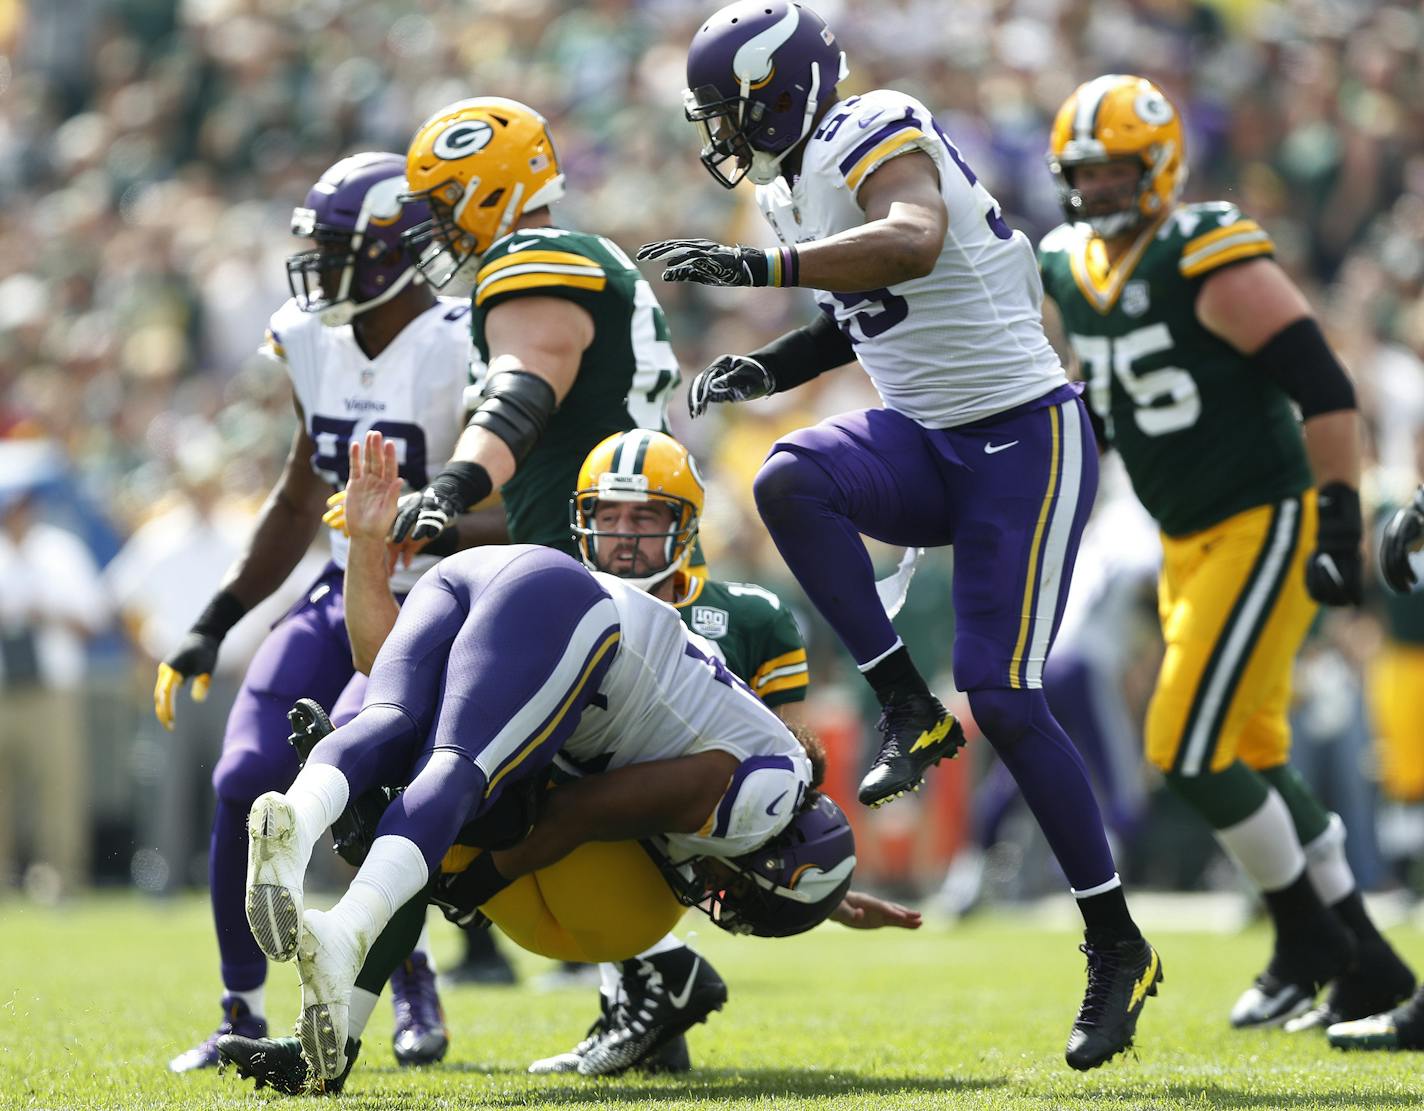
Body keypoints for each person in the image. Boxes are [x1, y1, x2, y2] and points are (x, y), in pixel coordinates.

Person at [637, 0, 1158, 1070]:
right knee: (789, 477)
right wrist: (770, 368)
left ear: (779, 89)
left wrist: (758, 276)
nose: (721, 138)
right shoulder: (794, 185)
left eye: (727, 112)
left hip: (1022, 437)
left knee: (1008, 698)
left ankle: (1115, 942)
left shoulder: (868, 121)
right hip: (927, 435)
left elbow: (911, 245)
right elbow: (862, 315)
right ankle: (907, 708)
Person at [1036, 74, 1414, 1031]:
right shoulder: (1068, 264)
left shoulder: (1204, 249)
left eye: (1118, 171)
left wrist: (1337, 519)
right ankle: (1366, 963)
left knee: (1188, 746)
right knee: (1251, 750)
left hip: (1264, 518)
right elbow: (1115, 403)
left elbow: (1324, 386)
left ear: (1159, 166)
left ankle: (1308, 935)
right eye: (1085, 174)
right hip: (1183, 534)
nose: (1101, 190)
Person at [157, 153, 472, 1073]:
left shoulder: (466, 340)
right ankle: (239, 1010)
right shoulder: (311, 332)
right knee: (243, 776)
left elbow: (519, 501)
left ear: (390, 253)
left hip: (438, 601)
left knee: (364, 793)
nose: (314, 265)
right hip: (337, 590)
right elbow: (302, 492)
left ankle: (407, 971)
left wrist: (419, 515)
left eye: (336, 247)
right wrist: (218, 614)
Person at [526, 427, 811, 1076]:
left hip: (697, 846)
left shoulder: (751, 615)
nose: (624, 534)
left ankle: (656, 979)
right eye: (608, 514)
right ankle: (642, 995)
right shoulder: (552, 598)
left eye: (646, 514)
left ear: (684, 525)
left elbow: (787, 776)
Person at [383, 96, 681, 559]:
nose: (436, 228)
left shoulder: (532, 255)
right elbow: (539, 503)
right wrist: (433, 531)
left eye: (443, 204)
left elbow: (520, 397)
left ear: (489, 191)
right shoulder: (566, 256)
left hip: (612, 573)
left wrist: (448, 490)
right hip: (609, 554)